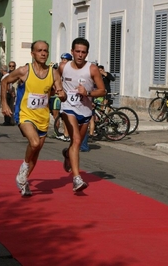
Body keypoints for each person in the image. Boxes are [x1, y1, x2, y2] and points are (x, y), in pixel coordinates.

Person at [1, 40, 66, 196]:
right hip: (25, 114)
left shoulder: (53, 73)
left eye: (45, 50)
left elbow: (61, 93)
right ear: (33, 53)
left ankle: (23, 182)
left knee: (35, 153)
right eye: (39, 50)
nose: (43, 53)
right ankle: (23, 169)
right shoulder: (24, 71)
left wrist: (62, 95)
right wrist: (4, 103)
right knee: (34, 143)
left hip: (43, 117)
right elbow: (5, 81)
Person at [59, 37, 106, 192]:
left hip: (85, 111)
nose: (80, 55)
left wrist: (88, 93)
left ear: (87, 54)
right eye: (77, 51)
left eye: (83, 52)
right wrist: (57, 91)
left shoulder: (92, 69)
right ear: (72, 51)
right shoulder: (63, 67)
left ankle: (67, 153)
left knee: (75, 144)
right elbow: (54, 81)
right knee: (77, 140)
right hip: (68, 108)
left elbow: (102, 90)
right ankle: (77, 178)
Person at [52, 53, 72, 141]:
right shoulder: (61, 70)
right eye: (62, 60)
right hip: (63, 96)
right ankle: (66, 133)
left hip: (69, 96)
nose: (62, 62)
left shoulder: (71, 70)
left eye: (64, 60)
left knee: (68, 116)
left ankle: (68, 134)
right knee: (64, 116)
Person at [0, 61, 17, 126]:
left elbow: (8, 86)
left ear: (2, 70)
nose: (11, 67)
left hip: (8, 93)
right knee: (10, 107)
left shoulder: (6, 76)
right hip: (10, 92)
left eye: (13, 66)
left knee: (7, 106)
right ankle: (10, 121)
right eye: (10, 66)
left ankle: (8, 121)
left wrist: (10, 91)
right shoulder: (9, 75)